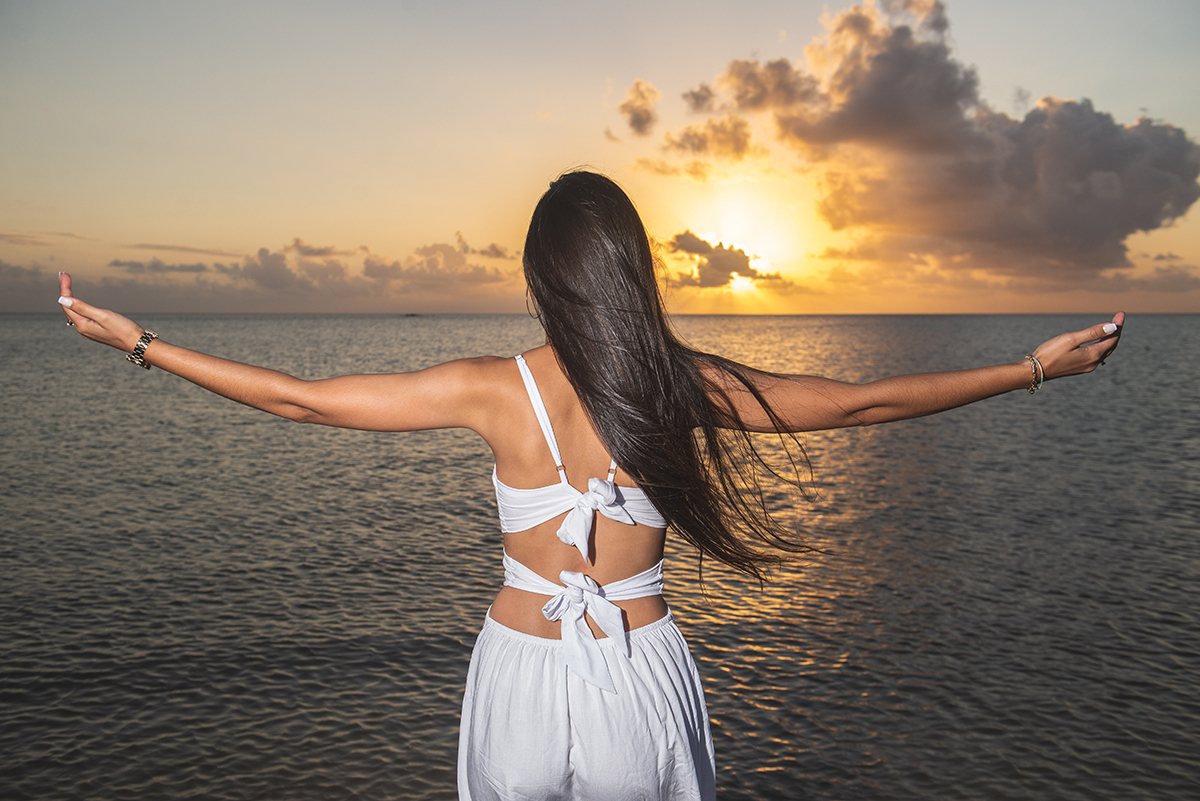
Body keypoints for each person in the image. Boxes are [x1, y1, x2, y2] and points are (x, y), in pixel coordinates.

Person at [57, 170, 1123, 801]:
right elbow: (859, 405)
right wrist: (1030, 368)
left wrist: (140, 343)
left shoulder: (492, 388)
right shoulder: (682, 385)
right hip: (639, 672)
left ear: (542, 278)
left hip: (520, 672)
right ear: (630, 272)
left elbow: (303, 402)